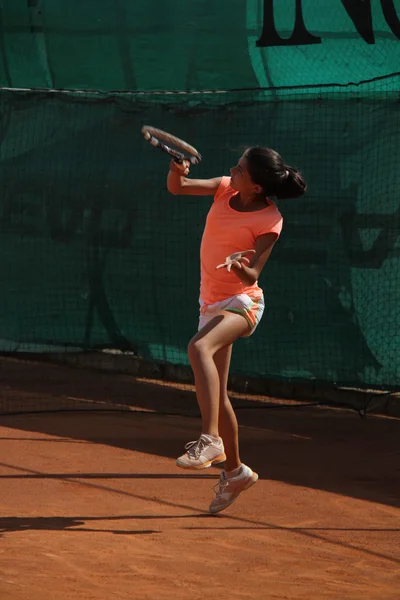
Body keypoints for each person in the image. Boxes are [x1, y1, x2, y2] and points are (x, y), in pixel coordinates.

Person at [167, 147, 306, 513]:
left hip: (243, 304)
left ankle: (210, 440)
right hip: (210, 304)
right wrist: (176, 169)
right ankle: (235, 472)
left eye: (241, 168)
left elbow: (254, 273)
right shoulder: (225, 188)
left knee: (198, 350)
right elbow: (178, 188)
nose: (233, 169)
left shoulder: (270, 221)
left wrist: (239, 264)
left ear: (257, 187)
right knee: (219, 396)